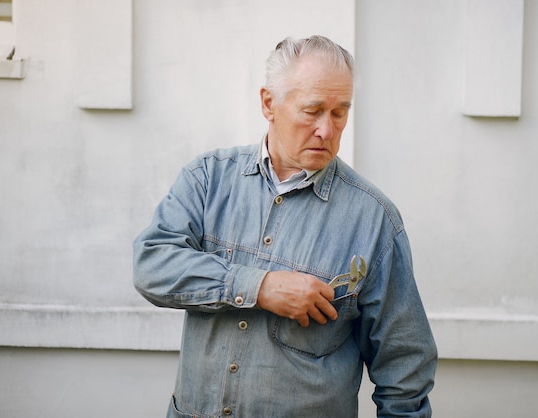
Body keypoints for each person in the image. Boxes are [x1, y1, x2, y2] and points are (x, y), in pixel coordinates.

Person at [133, 35, 437, 418]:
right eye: (312, 110)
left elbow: (404, 369)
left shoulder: (374, 220)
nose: (327, 130)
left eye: (340, 112)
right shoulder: (208, 179)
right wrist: (260, 287)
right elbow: (151, 265)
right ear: (268, 103)